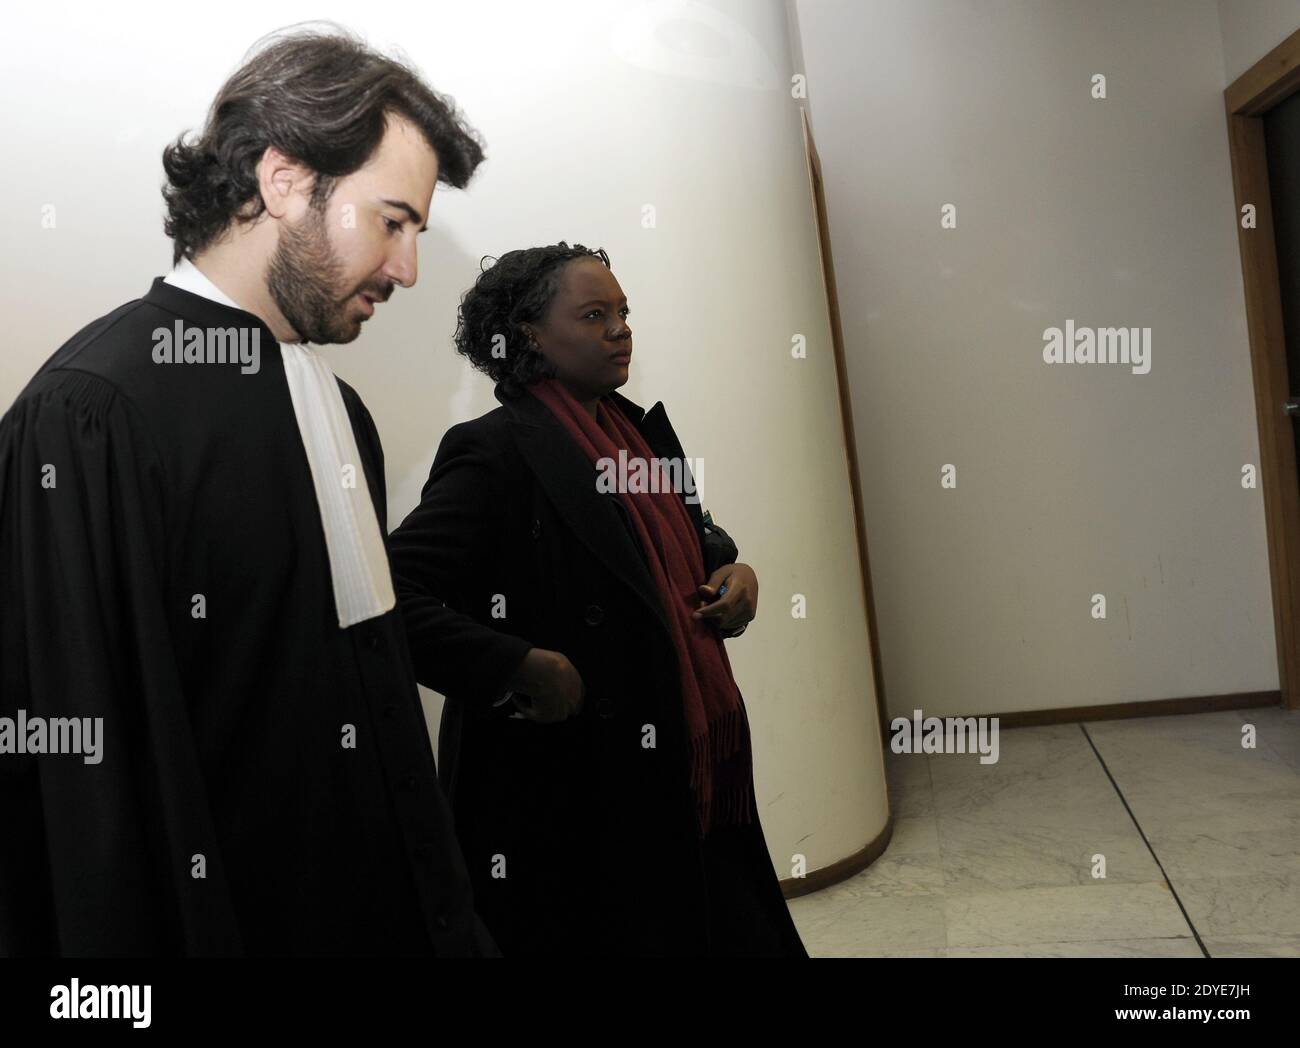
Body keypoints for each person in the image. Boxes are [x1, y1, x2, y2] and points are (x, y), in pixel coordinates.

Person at [0, 27, 498, 956]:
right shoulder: (90, 415)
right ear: (283, 180)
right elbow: (81, 801)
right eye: (391, 221)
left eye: (417, 232)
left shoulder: (340, 408)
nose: (407, 269)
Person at [387, 242, 808, 956]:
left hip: (682, 764)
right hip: (569, 792)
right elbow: (394, 592)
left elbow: (690, 536)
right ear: (527, 335)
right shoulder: (494, 451)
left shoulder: (637, 431)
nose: (620, 330)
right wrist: (512, 664)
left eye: (622, 312)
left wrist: (734, 571)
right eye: (593, 315)